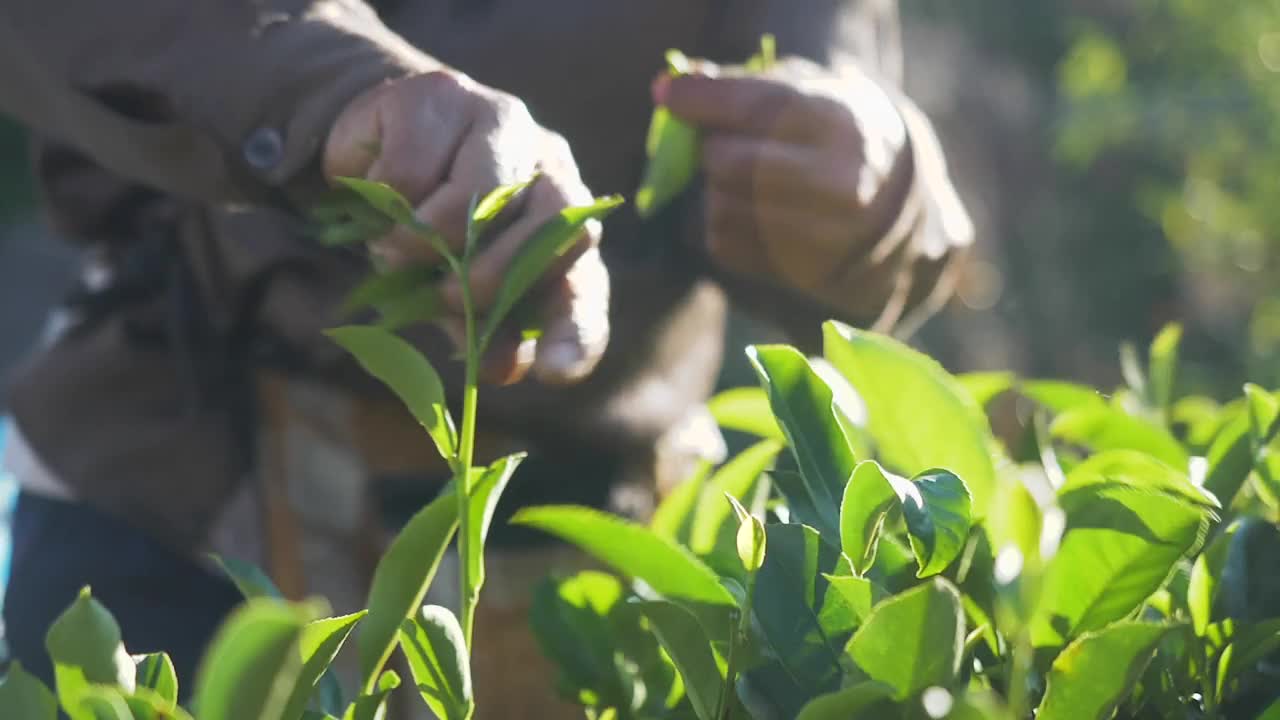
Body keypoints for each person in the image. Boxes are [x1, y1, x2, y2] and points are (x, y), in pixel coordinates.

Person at [0, 0, 972, 716]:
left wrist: (878, 187)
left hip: (602, 530)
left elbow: (839, 74)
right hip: (181, 497)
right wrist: (343, 91)